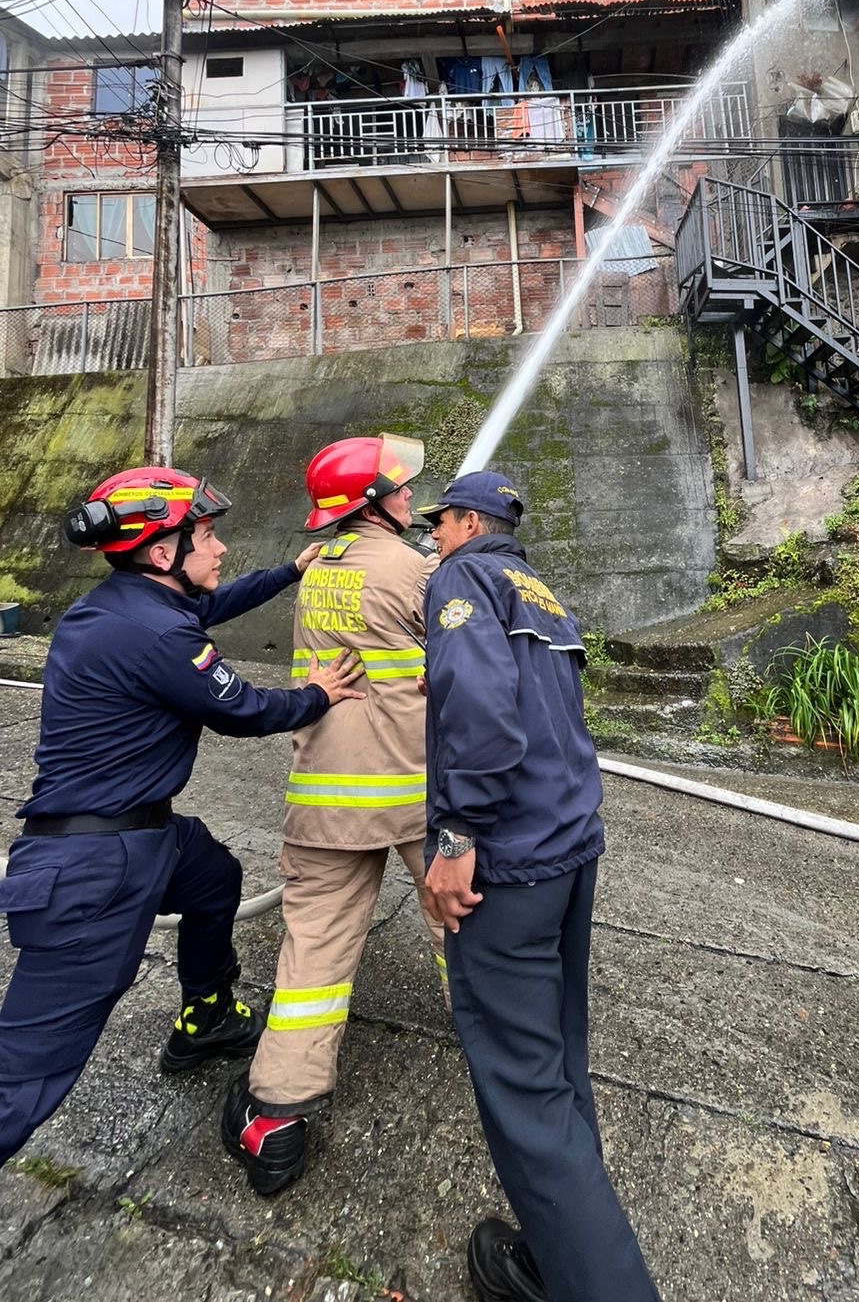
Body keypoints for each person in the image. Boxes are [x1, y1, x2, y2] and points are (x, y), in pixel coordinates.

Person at [0, 467, 364, 1167]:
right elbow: (244, 710)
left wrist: (289, 570)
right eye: (207, 534)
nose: (221, 546)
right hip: (93, 876)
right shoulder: (161, 637)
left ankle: (207, 1016)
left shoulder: (117, 609)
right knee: (24, 1077)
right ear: (163, 553)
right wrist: (317, 695)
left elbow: (211, 604)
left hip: (138, 836)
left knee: (212, 876)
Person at [418, 472, 660, 1302]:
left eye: (438, 526)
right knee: (556, 1060)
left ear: (464, 521)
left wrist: (454, 837)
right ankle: (559, 1244)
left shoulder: (460, 577)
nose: (433, 542)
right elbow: (536, 703)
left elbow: (483, 711)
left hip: (508, 866)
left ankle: (594, 1283)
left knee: (523, 1087)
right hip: (570, 851)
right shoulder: (539, 588)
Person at [223, 434, 446, 1195]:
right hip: (416, 789)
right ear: (375, 499)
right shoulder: (415, 570)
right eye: (403, 488)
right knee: (463, 923)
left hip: (326, 793)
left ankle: (275, 1117)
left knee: (312, 955)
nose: (414, 498)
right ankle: (503, 1050)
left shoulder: (317, 569)